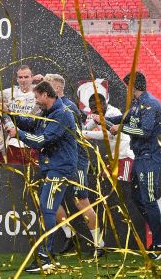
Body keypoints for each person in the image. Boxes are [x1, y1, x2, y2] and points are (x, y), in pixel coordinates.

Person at [7, 81, 78, 272]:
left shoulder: (62, 114)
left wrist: (18, 134)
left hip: (61, 168)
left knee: (47, 209)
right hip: (53, 167)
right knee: (48, 209)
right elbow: (31, 124)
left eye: (37, 97)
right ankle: (45, 255)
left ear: (46, 95)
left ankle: (45, 257)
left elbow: (41, 140)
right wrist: (10, 115)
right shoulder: (47, 113)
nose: (36, 100)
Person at [44, 74, 104, 257]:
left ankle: (99, 244)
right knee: (50, 198)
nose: (46, 90)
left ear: (59, 88)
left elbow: (76, 136)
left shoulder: (67, 107)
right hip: (60, 159)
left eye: (49, 86)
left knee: (80, 201)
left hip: (77, 159)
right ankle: (71, 236)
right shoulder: (51, 107)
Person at [102, 72, 161, 259]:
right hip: (139, 157)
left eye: (127, 85)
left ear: (133, 86)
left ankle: (158, 244)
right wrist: (102, 118)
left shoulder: (150, 103)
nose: (126, 89)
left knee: (150, 199)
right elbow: (122, 119)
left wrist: (120, 128)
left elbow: (145, 131)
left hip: (150, 157)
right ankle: (158, 231)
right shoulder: (135, 104)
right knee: (137, 197)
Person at [83, 93, 135, 180]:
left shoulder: (113, 113)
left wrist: (84, 133)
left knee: (123, 188)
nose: (94, 111)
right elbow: (85, 128)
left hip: (124, 157)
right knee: (106, 186)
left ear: (104, 104)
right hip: (112, 160)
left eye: (96, 108)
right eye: (92, 109)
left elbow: (108, 134)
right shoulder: (98, 115)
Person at [0, 65, 43, 164]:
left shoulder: (40, 91)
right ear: (17, 79)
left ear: (32, 77)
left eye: (26, 77)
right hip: (13, 143)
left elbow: (56, 94)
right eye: (20, 77)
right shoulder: (10, 92)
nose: (23, 80)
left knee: (32, 176)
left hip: (32, 142)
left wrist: (44, 81)